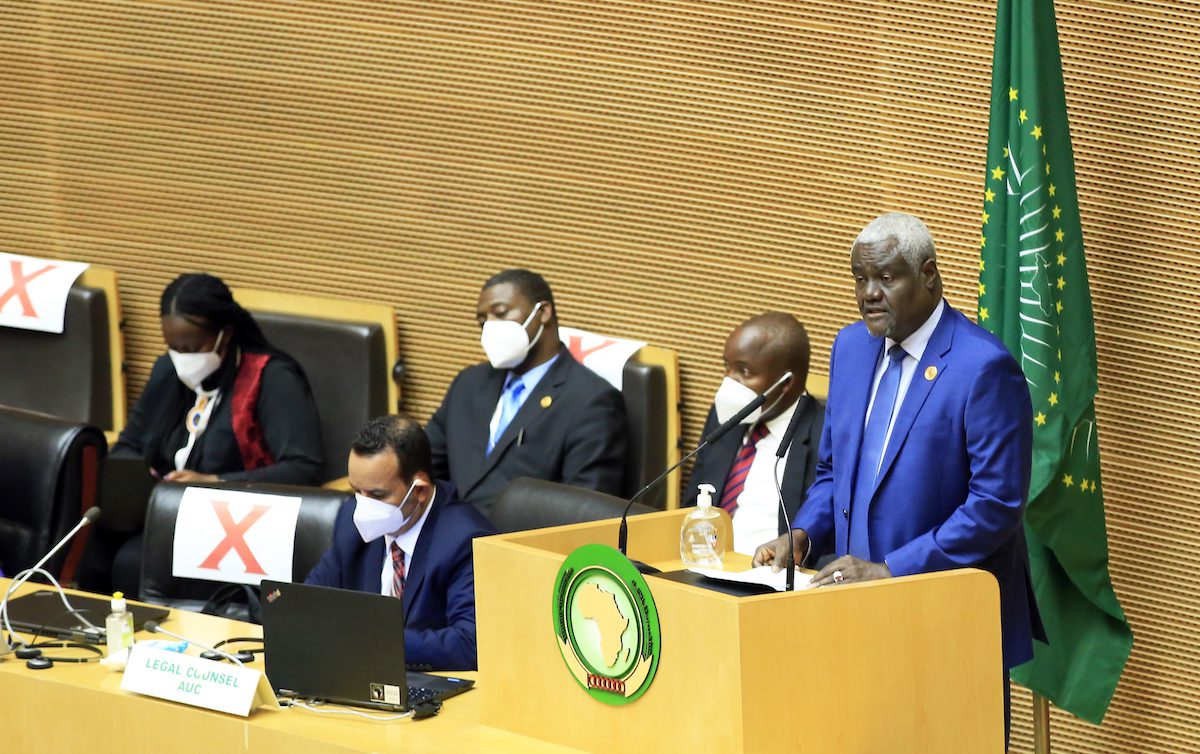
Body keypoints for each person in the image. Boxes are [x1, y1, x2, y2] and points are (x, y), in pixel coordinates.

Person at [753, 213, 1043, 744]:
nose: (869, 294)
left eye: (887, 278)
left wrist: (892, 570)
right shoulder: (851, 348)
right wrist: (805, 532)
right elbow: (834, 471)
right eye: (860, 279)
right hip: (852, 609)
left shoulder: (983, 366)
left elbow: (996, 504)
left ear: (929, 275)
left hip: (946, 619)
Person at [78, 273, 323, 594]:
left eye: (193, 346)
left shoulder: (271, 377)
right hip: (156, 511)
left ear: (226, 334)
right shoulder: (169, 369)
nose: (183, 357)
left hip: (232, 521)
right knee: (85, 547)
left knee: (130, 563)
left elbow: (304, 468)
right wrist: (135, 482)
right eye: (174, 346)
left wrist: (215, 482)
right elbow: (130, 445)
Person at [425, 269, 628, 520]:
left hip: (516, 548)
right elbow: (422, 467)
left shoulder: (591, 401)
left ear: (542, 313)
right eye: (482, 320)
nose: (489, 328)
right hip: (447, 539)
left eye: (500, 314)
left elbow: (582, 513)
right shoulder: (469, 383)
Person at [306, 414, 495, 671]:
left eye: (377, 495)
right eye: (356, 491)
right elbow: (310, 603)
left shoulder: (464, 540)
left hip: (433, 688)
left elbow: (470, 643)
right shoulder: (351, 524)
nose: (362, 506)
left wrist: (372, 641)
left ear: (420, 491)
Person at [683, 313, 824, 556]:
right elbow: (691, 505)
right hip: (703, 565)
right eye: (726, 367)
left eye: (744, 372)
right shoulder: (724, 416)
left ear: (785, 383)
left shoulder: (825, 435)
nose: (729, 382)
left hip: (769, 577)